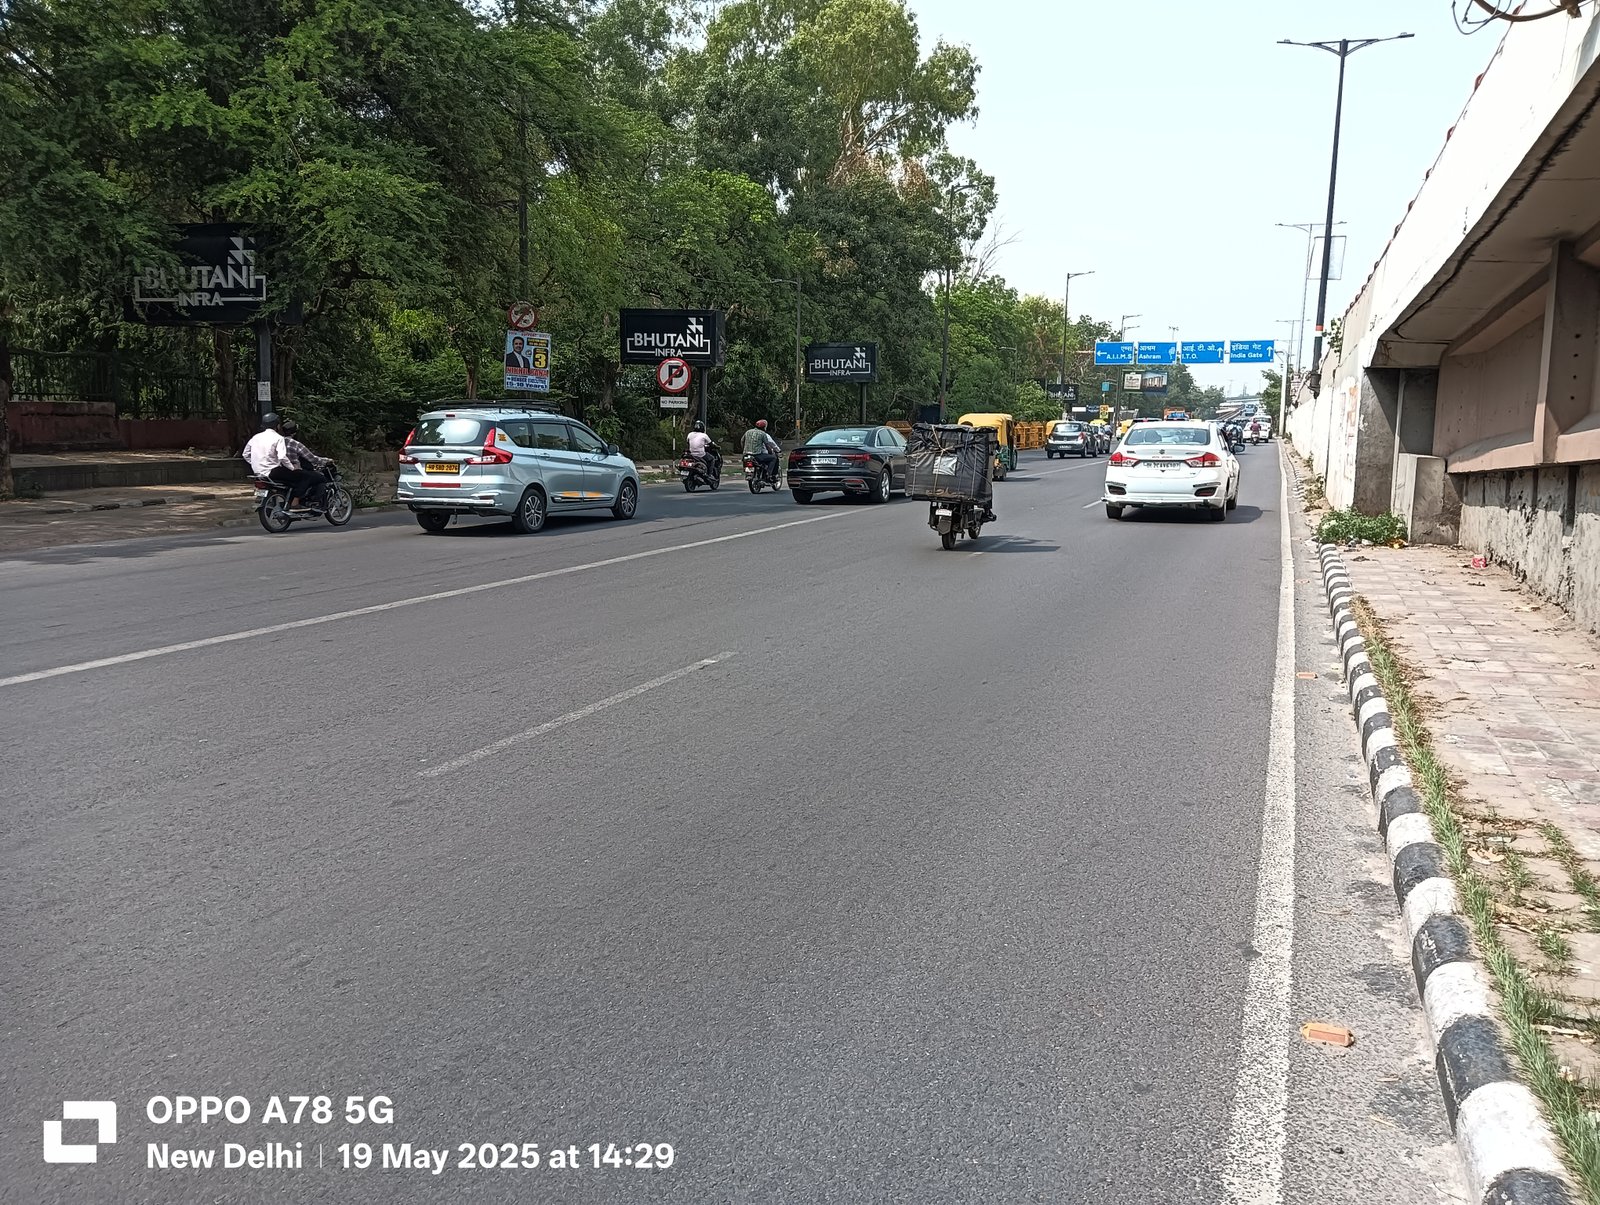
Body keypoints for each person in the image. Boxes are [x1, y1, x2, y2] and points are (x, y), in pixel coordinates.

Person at [242, 413, 322, 510]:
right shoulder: (278, 438)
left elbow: (245, 454)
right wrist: (293, 468)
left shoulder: (255, 437)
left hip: (258, 472)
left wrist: (256, 463)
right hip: (273, 472)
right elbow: (282, 457)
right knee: (306, 476)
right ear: (277, 426)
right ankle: (295, 502)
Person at [279, 419, 333, 510]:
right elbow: (312, 458)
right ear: (294, 432)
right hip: (294, 471)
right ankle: (311, 501)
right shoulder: (295, 444)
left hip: (281, 472)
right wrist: (326, 460)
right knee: (320, 478)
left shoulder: (278, 442)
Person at [741, 418, 780, 484]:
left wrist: (744, 449)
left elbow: (742, 441)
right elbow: (767, 445)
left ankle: (749, 473)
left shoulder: (748, 432)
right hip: (757, 455)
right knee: (774, 458)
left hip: (746, 455)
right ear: (764, 427)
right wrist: (770, 452)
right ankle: (768, 474)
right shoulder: (763, 434)